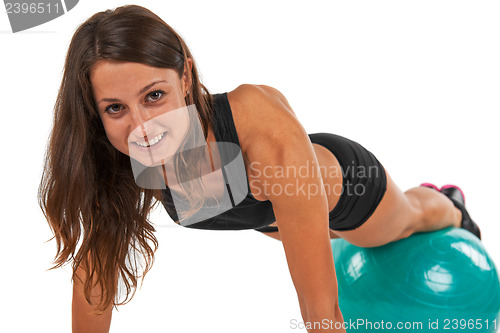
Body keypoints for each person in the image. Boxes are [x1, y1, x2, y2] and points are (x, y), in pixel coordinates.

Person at [38, 5, 480, 333]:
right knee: (318, 237)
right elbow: (95, 273)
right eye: (116, 108)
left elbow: (321, 315)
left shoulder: (261, 131)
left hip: (337, 190)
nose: (142, 127)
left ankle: (450, 203)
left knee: (404, 222)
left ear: (185, 77)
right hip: (263, 214)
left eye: (154, 96)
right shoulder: (111, 153)